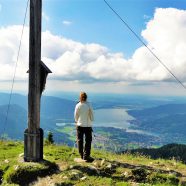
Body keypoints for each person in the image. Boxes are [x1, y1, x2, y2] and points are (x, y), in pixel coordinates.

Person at [74, 92, 94, 162]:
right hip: (88, 125)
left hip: (80, 125)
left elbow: (76, 115)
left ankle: (81, 155)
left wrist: (76, 121)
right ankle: (86, 156)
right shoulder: (89, 105)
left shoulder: (78, 105)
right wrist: (91, 120)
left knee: (80, 140)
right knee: (88, 140)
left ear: (80, 97)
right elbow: (92, 115)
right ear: (86, 97)